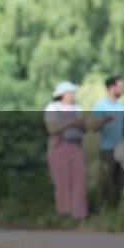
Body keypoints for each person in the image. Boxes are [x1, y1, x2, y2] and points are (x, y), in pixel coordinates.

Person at [44, 81, 87, 219]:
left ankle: (78, 214)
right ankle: (63, 213)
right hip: (58, 146)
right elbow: (51, 129)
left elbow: (84, 128)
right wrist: (70, 122)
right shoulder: (52, 108)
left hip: (75, 146)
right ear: (63, 94)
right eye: (70, 92)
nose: (72, 95)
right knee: (62, 181)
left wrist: (80, 124)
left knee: (79, 180)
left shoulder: (77, 108)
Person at [92, 76, 124, 211]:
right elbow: (94, 128)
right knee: (105, 181)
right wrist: (104, 120)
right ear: (111, 87)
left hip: (121, 149)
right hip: (107, 149)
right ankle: (101, 211)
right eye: (120, 87)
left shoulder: (121, 107)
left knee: (120, 182)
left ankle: (116, 211)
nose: (122, 90)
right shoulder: (100, 106)